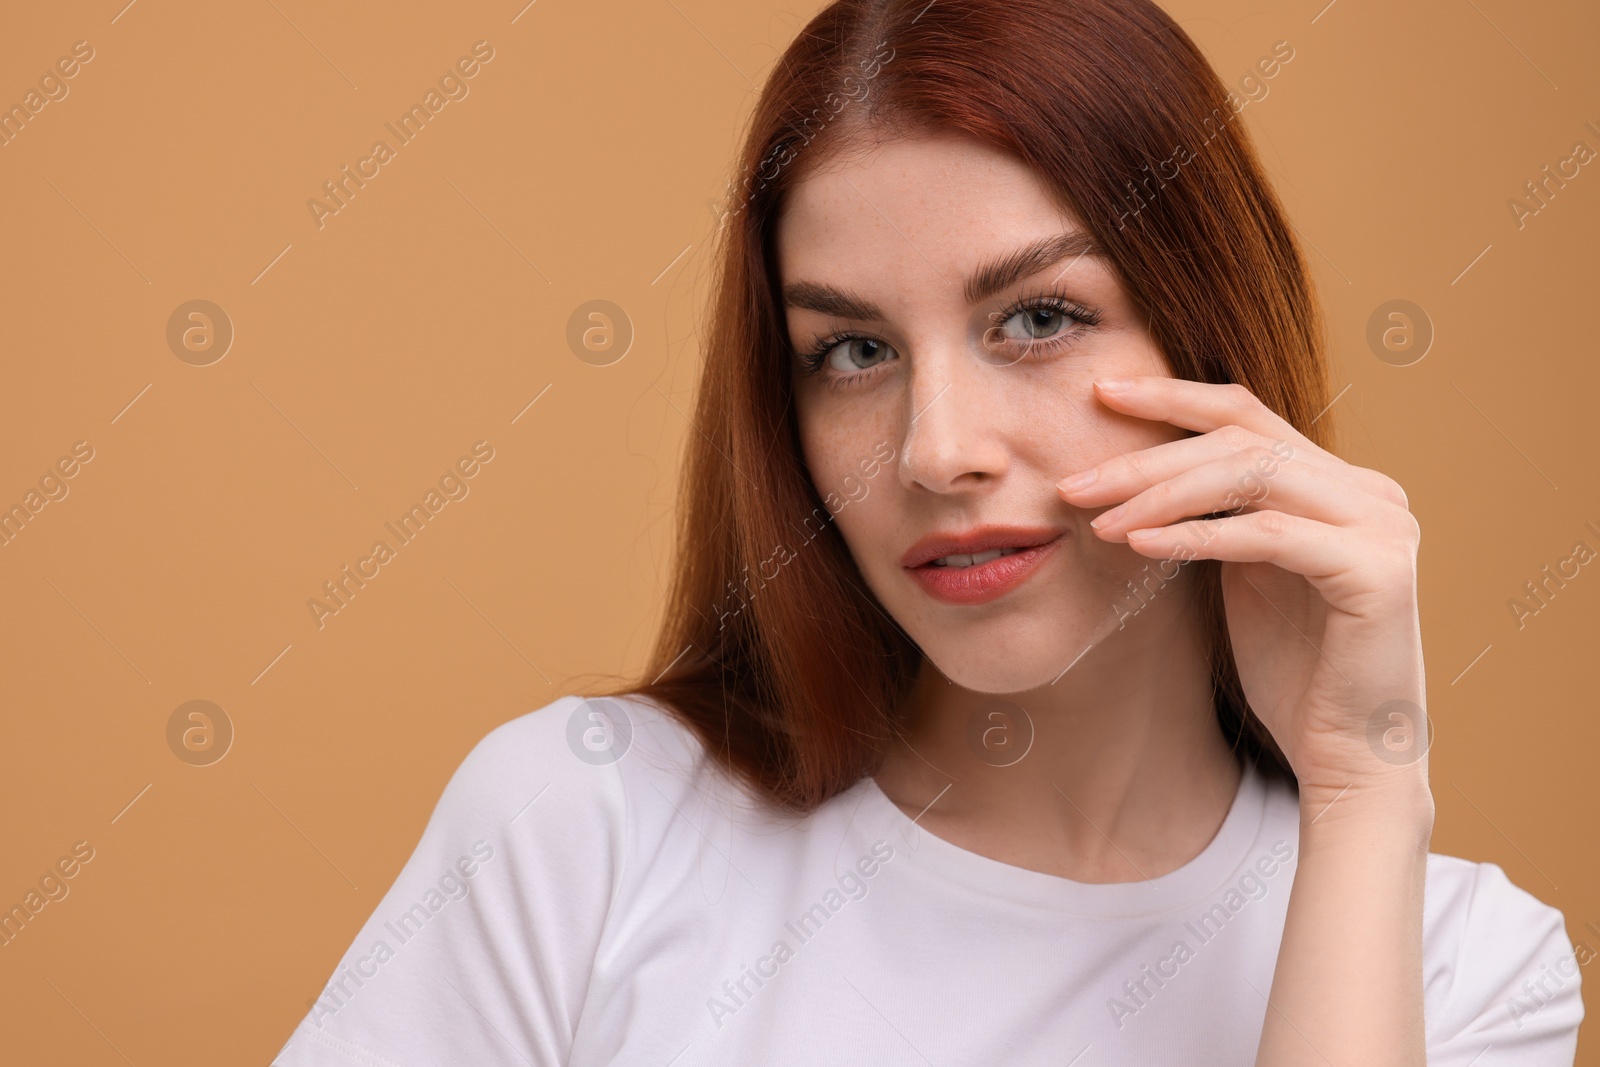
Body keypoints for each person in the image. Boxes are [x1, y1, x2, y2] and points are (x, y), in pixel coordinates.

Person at [271, 0, 1586, 1063]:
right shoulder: (585, 825)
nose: (935, 449)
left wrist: (1364, 785)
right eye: (851, 350)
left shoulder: (1457, 966)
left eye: (1038, 318)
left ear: (1212, 333)